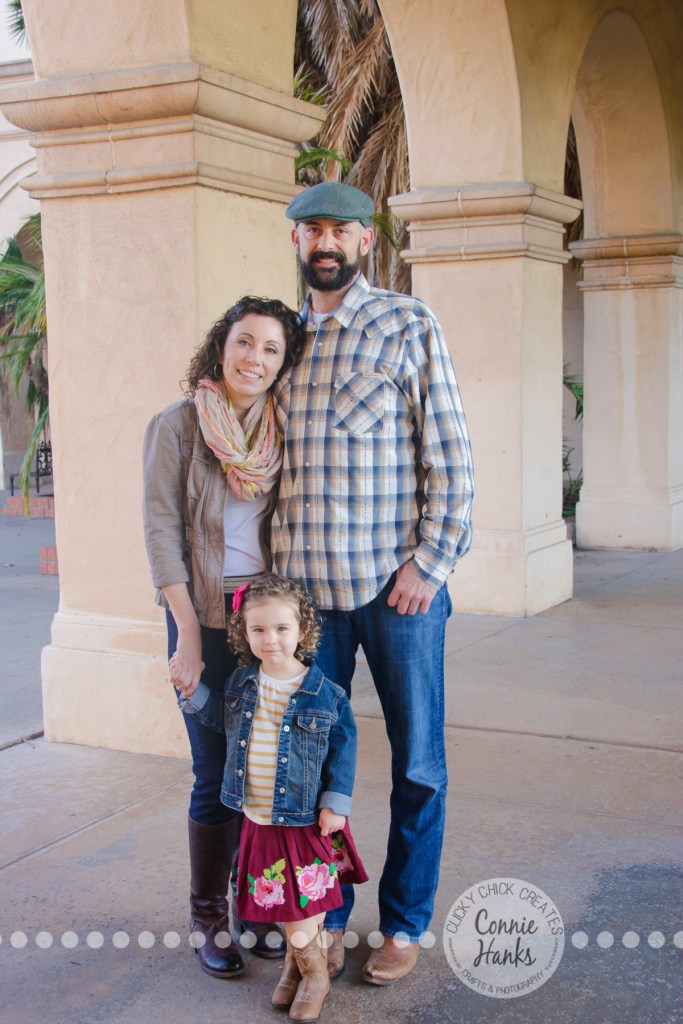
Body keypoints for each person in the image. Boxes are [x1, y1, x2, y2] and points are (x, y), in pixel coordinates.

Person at [271, 181, 475, 985]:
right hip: (306, 606)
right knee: (309, 772)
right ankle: (321, 918)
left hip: (397, 594)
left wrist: (431, 563)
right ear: (296, 241)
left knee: (417, 764)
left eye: (341, 229)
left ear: (365, 240)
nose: (325, 241)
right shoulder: (280, 340)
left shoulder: (405, 322)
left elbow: (449, 454)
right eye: (311, 229)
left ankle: (403, 922)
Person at [142, 296, 305, 978]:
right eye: (244, 342)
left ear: (282, 364)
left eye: (270, 349)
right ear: (221, 347)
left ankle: (255, 904)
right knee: (215, 773)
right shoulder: (177, 425)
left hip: (266, 619)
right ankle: (207, 918)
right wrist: (185, 636)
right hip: (201, 616)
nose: (254, 359)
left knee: (263, 769)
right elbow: (161, 534)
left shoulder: (283, 429)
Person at [176, 574, 367, 1022]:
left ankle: (315, 976)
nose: (271, 639)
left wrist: (336, 803)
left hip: (305, 822)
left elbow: (344, 749)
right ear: (244, 634)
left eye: (282, 628)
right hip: (259, 819)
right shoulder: (243, 684)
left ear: (303, 630)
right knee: (281, 902)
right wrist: (192, 692)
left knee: (301, 908)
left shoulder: (324, 693)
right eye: (258, 629)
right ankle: (294, 970)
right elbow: (222, 720)